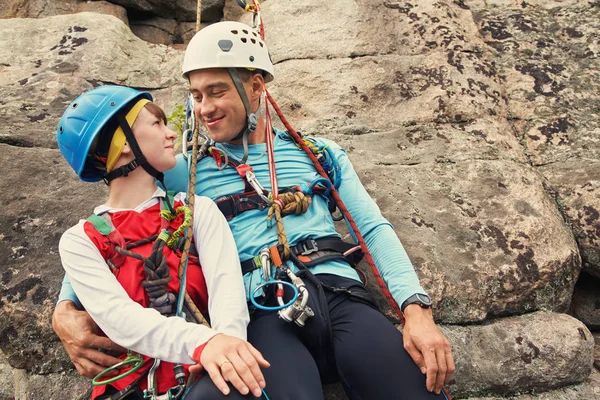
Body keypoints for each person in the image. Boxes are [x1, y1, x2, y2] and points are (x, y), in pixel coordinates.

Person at [54, 21, 455, 400]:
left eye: (216, 92)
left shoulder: (316, 154)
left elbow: (371, 228)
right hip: (259, 312)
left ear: (256, 86)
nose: (204, 108)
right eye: (196, 96)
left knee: (412, 387)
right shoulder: (182, 172)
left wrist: (416, 311)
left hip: (339, 294)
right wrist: (65, 308)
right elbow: (122, 220)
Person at [54, 85, 269, 400]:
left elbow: (227, 292)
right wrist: (205, 344)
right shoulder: (79, 242)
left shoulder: (198, 211)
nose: (172, 134)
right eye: (157, 123)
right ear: (124, 143)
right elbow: (120, 319)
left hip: (209, 379)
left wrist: (228, 349)